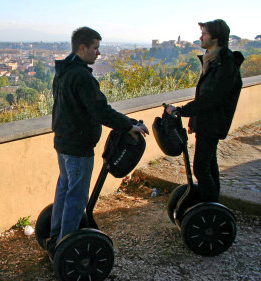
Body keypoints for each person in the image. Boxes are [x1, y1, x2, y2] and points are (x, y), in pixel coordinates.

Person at [48, 26, 149, 258]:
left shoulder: (63, 71)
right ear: (82, 48)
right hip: (78, 145)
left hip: (63, 141)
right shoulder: (81, 76)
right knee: (77, 195)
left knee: (64, 188)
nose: (98, 53)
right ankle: (66, 245)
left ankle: (56, 236)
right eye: (95, 48)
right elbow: (100, 109)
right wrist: (128, 125)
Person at [166, 19, 244, 203]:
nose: (200, 37)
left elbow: (211, 97)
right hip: (207, 121)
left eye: (204, 34)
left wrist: (181, 111)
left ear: (216, 37)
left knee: (201, 168)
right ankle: (213, 204)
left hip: (213, 122)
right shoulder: (214, 60)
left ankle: (209, 209)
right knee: (209, 165)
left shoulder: (225, 65)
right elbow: (206, 95)